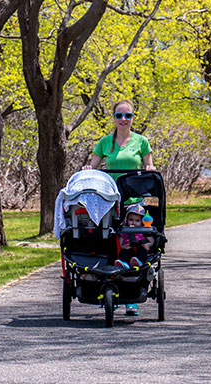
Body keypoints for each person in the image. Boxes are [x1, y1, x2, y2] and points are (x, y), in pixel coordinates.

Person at [83, 99, 156, 316]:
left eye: (128, 116)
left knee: (133, 241)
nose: (123, 120)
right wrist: (89, 167)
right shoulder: (105, 142)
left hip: (133, 203)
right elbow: (93, 165)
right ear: (113, 118)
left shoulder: (141, 142)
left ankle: (131, 297)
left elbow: (148, 164)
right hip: (110, 201)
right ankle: (108, 289)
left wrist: (150, 167)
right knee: (108, 241)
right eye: (119, 116)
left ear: (133, 118)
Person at [115, 204, 155, 269]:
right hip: (128, 247)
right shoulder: (125, 230)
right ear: (126, 219)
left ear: (142, 221)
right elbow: (120, 240)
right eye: (131, 220)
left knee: (142, 252)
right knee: (124, 253)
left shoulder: (143, 230)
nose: (133, 222)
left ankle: (138, 262)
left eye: (137, 221)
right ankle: (124, 264)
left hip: (140, 247)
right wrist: (122, 246)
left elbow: (151, 240)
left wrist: (148, 245)